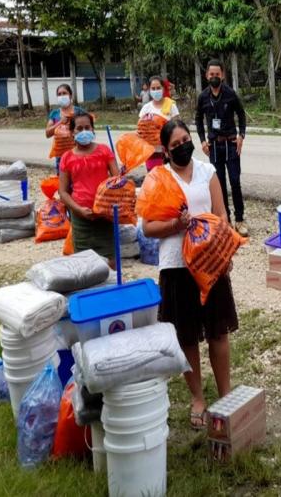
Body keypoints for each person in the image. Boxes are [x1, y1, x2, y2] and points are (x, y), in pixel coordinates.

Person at [142, 119, 237, 430]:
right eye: (175, 144)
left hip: (209, 264)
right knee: (187, 337)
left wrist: (224, 250)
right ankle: (198, 398)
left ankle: (225, 393)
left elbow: (222, 215)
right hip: (176, 266)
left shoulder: (207, 172)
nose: (183, 146)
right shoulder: (158, 179)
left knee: (217, 332)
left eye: (186, 140)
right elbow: (148, 228)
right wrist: (176, 225)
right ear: (166, 152)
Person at [196, 59, 249, 237]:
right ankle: (224, 221)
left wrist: (241, 135)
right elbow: (198, 120)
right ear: (206, 76)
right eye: (211, 74)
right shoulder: (203, 97)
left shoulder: (230, 94)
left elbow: (241, 115)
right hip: (214, 147)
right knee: (219, 186)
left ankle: (240, 220)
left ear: (223, 75)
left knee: (235, 182)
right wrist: (203, 141)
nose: (214, 77)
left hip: (231, 145)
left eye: (217, 74)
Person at [58, 112, 119, 268]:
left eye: (87, 127)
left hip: (105, 216)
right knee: (85, 264)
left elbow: (117, 181)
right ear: (72, 133)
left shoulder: (104, 151)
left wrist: (107, 206)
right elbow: (63, 192)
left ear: (93, 130)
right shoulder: (66, 158)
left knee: (111, 261)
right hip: (81, 218)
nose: (84, 131)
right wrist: (79, 209)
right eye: (79, 128)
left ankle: (110, 291)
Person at [138, 76, 180, 171]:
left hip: (168, 152)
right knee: (153, 179)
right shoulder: (146, 108)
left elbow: (178, 129)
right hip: (151, 152)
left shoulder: (170, 106)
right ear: (149, 89)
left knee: (169, 180)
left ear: (163, 89)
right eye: (153, 88)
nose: (156, 91)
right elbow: (140, 130)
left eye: (158, 88)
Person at [45, 83, 86, 173]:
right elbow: (47, 133)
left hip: (78, 153)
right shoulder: (55, 114)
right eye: (59, 94)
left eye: (64, 93)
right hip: (61, 156)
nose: (62, 96)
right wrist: (60, 122)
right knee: (63, 182)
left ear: (70, 95)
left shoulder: (79, 111)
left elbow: (88, 129)